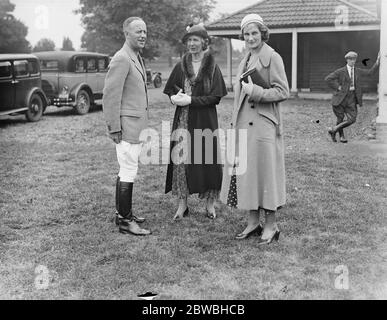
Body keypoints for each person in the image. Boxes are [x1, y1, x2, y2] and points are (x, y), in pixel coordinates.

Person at [219, 14, 289, 244]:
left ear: (263, 33)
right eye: (246, 34)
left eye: (254, 33)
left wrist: (256, 92)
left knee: (265, 175)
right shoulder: (246, 58)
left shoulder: (273, 57)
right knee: (247, 174)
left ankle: (271, 225)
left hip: (263, 127)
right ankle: (252, 222)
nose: (250, 38)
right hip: (244, 127)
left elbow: (282, 91)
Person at [163, 24, 227, 221]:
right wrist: (175, 98)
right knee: (181, 160)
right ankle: (182, 205)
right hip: (183, 120)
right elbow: (171, 91)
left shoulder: (212, 67)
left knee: (206, 159)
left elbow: (215, 97)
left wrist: (192, 100)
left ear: (204, 42)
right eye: (189, 40)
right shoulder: (181, 65)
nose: (191, 43)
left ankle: (210, 204)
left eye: (195, 40)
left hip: (205, 120)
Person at [102, 17, 151, 236]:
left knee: (126, 170)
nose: (142, 35)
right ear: (126, 34)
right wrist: (113, 127)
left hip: (135, 125)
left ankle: (122, 213)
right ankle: (125, 221)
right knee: (129, 170)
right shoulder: (122, 58)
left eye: (145, 32)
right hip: (126, 126)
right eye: (138, 31)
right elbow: (110, 96)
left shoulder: (136, 57)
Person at [325, 51, 380, 143]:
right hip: (340, 98)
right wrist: (338, 87)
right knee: (340, 118)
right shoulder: (340, 71)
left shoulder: (358, 71)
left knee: (352, 119)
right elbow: (328, 79)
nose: (352, 61)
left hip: (352, 98)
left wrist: (377, 62)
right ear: (347, 60)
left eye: (354, 59)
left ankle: (334, 130)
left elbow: (370, 73)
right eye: (350, 59)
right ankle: (341, 136)